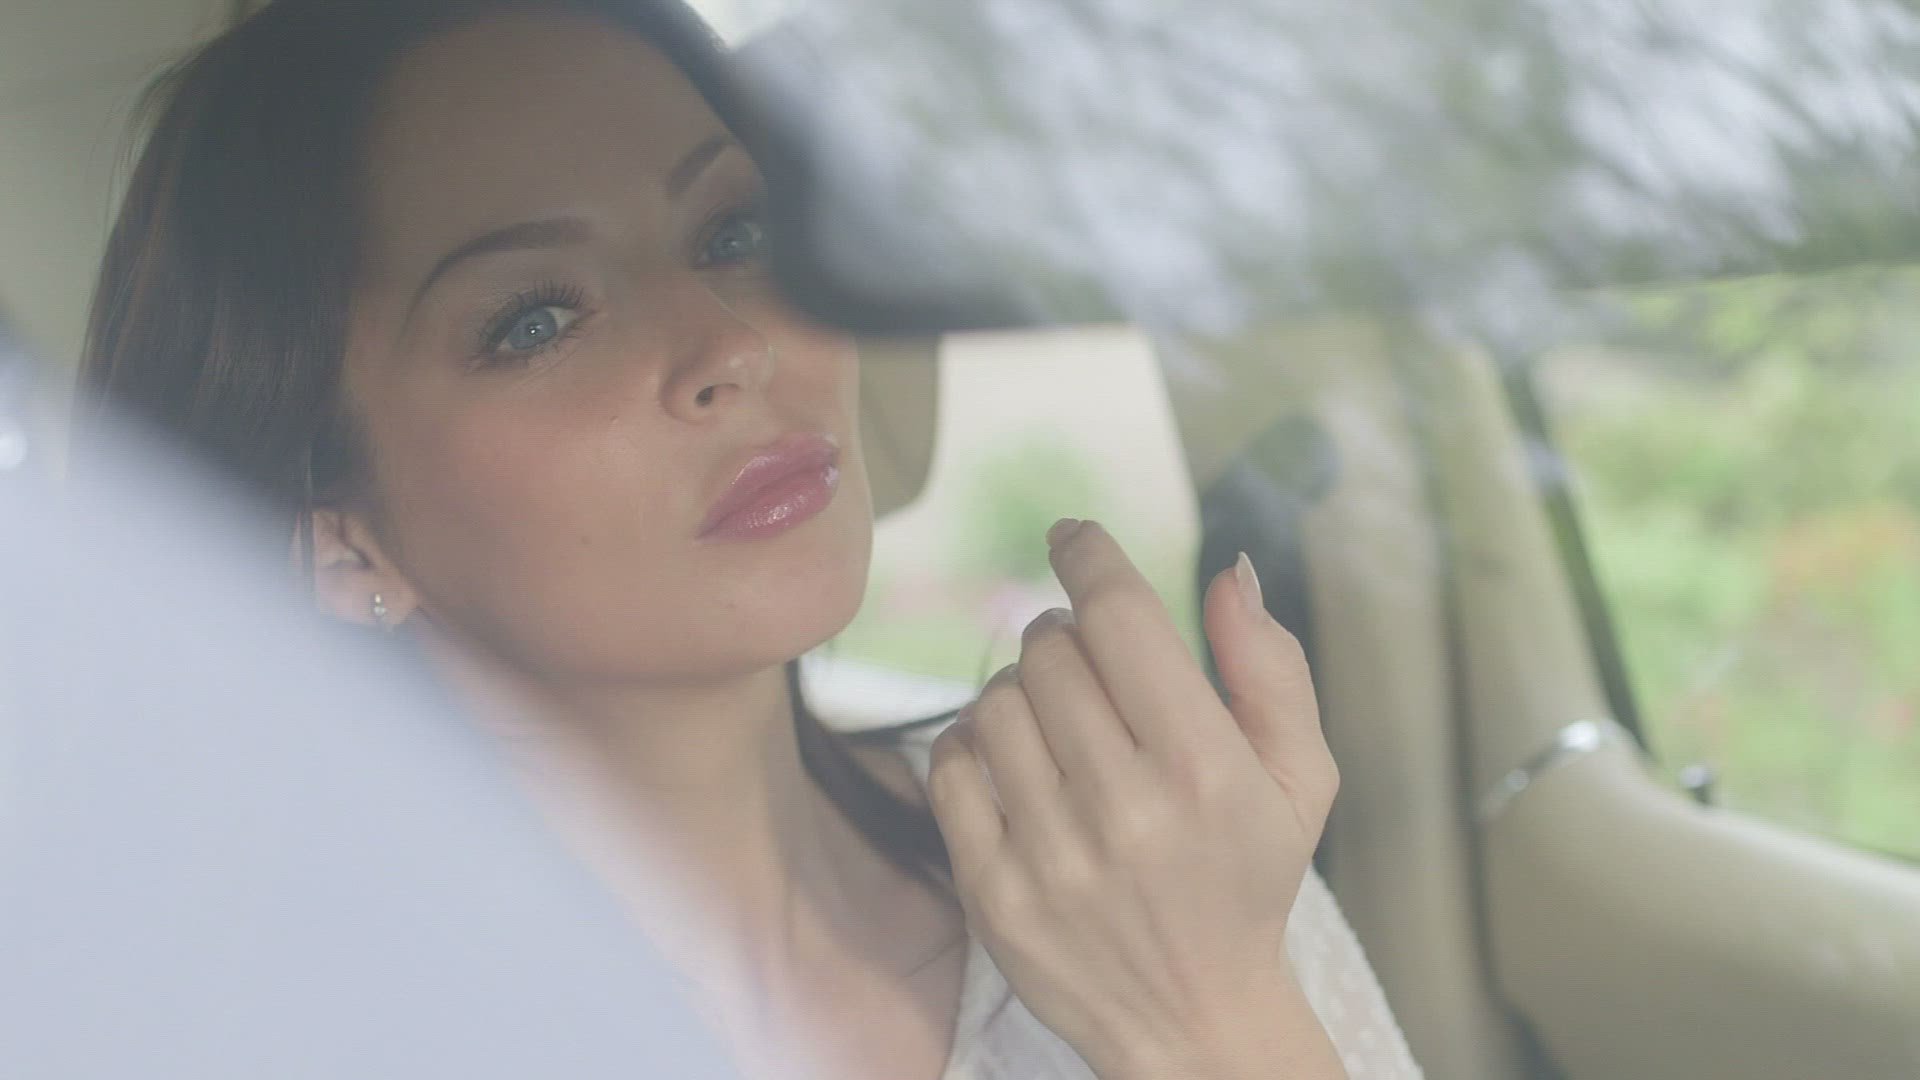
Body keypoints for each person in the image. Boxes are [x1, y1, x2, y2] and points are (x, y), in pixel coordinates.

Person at [77, 2, 1423, 1078]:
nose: (733, 342)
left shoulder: (1149, 862)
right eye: (537, 319)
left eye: (734, 231)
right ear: (338, 541)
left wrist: (1212, 1014)